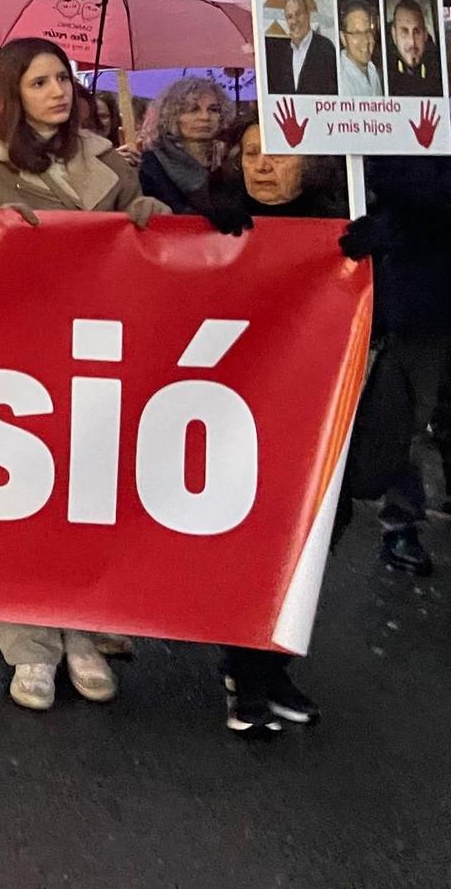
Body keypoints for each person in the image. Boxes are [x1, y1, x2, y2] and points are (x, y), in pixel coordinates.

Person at [0, 37, 170, 711]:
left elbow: (140, 242)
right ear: (12, 95)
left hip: (99, 350)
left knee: (89, 495)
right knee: (20, 502)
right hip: (14, 361)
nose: (58, 90)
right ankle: (29, 645)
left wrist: (151, 218)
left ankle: (82, 633)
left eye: (63, 78)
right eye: (41, 81)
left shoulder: (109, 163)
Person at [206, 118, 338, 732]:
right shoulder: (212, 217)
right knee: (255, 533)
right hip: (238, 405)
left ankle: (271, 664)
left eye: (279, 155)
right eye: (251, 154)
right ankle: (247, 674)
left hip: (317, 402)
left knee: (311, 534)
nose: (261, 166)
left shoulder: (341, 219)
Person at [339, 148, 451, 580]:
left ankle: (401, 522)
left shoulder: (423, 131)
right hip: (384, 297)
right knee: (391, 414)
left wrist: (392, 225)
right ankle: (390, 520)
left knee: (407, 414)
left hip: (419, 294)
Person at [136, 76, 231, 215]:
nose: (205, 117)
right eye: (193, 109)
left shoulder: (230, 160)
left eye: (213, 109)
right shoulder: (150, 163)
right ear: (171, 115)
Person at [263, 0, 338, 97]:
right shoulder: (281, 55)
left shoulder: (326, 49)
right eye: (289, 17)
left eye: (298, 14)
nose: (294, 21)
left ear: (308, 15)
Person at [386, 0, 444, 96]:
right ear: (394, 35)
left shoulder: (440, 66)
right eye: (404, 31)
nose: (412, 42)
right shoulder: (383, 68)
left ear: (425, 34)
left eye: (417, 32)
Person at [336, 0, 383, 99]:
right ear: (343, 38)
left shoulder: (372, 69)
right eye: (357, 33)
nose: (366, 40)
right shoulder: (339, 80)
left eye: (368, 32)